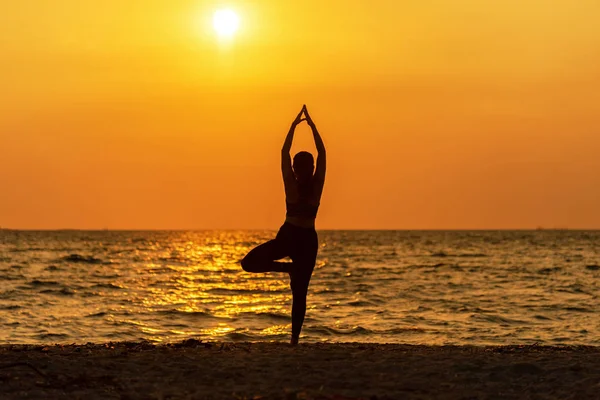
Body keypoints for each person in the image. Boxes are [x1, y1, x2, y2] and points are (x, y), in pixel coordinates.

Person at [241, 104, 326, 345]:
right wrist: (294, 127)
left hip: (307, 242)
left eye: (308, 168)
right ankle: (288, 269)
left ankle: (294, 341)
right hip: (288, 236)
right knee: (248, 262)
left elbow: (322, 154)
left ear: (311, 169)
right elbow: (284, 152)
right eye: (301, 169)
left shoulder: (316, 184)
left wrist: (311, 126)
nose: (305, 172)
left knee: (300, 293)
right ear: (295, 170)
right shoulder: (292, 183)